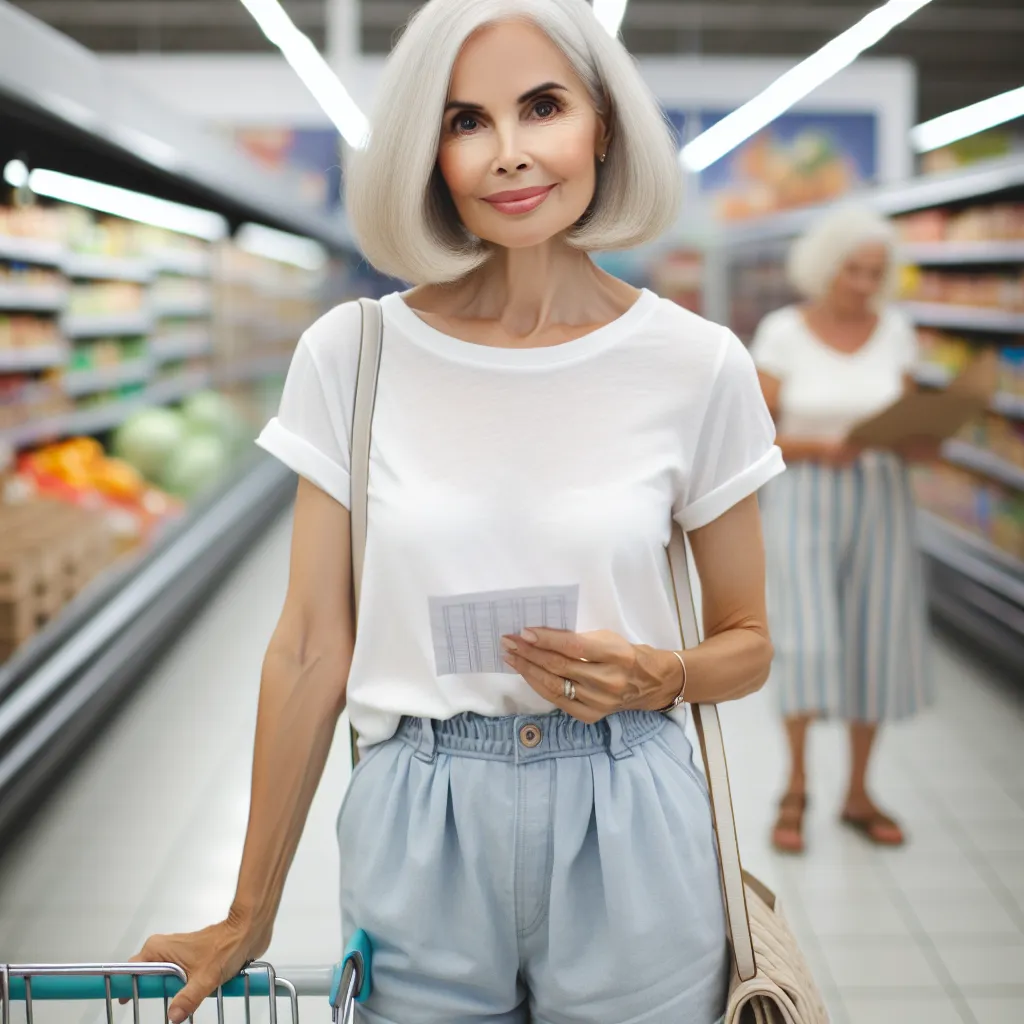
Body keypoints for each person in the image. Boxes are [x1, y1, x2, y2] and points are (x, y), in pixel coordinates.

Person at [132, 1, 784, 1020]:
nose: (509, 155)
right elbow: (309, 644)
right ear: (426, 153)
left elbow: (747, 643)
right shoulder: (352, 354)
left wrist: (664, 672)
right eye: (465, 121)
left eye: (541, 107)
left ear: (602, 126)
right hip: (417, 818)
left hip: (632, 809)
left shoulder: (695, 365)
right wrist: (246, 909)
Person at [750, 206, 934, 856]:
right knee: (804, 636)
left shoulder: (897, 332)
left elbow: (909, 416)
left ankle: (859, 790)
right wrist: (814, 447)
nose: (863, 284)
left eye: (875, 272)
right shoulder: (782, 333)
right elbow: (754, 431)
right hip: (803, 494)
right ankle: (794, 786)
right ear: (826, 267)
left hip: (882, 496)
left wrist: (923, 440)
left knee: (875, 636)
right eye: (852, 270)